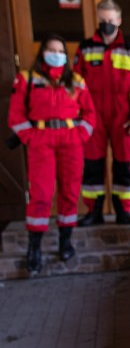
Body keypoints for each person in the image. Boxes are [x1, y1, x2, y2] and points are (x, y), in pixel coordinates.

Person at [7, 34, 96, 274]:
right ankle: (34, 247)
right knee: (41, 195)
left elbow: (89, 115)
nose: (56, 54)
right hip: (41, 142)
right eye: (51, 49)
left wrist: (80, 136)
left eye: (60, 50)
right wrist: (31, 137)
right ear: (43, 52)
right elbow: (15, 116)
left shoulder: (75, 80)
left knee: (69, 192)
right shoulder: (27, 79)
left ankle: (65, 242)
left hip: (70, 141)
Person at [74, 0, 130, 226]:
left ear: (119, 20)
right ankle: (93, 212)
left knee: (123, 164)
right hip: (92, 117)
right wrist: (79, 116)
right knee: (92, 165)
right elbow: (75, 85)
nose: (107, 24)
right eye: (103, 20)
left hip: (121, 117)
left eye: (111, 20)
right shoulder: (85, 49)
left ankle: (123, 211)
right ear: (98, 19)